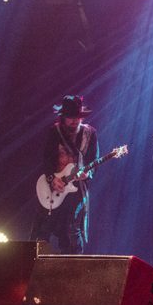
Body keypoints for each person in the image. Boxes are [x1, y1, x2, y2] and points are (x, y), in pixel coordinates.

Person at [30, 95, 98, 254]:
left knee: (71, 228)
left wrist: (87, 174)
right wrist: (52, 179)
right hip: (53, 187)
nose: (75, 121)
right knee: (42, 229)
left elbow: (93, 160)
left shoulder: (90, 134)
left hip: (76, 189)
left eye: (78, 117)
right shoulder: (54, 132)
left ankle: (72, 270)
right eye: (71, 117)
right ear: (63, 117)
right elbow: (46, 160)